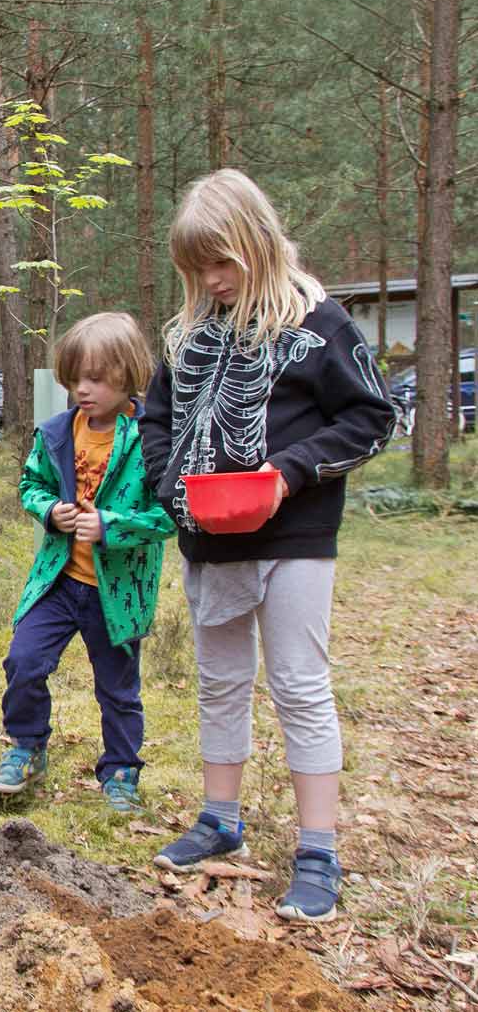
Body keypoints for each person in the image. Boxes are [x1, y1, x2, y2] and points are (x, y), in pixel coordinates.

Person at [140, 169, 398, 922]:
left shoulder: (319, 324)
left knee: (298, 683)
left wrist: (287, 473)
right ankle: (221, 818)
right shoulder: (188, 334)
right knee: (219, 680)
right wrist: (168, 483)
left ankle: (318, 846)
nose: (212, 281)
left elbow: (370, 416)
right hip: (207, 536)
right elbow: (158, 419)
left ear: (257, 243)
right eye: (198, 268)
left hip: (296, 536)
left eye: (223, 263)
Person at [0, 312, 175, 812]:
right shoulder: (56, 433)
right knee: (23, 661)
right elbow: (31, 485)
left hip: (118, 593)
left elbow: (168, 513)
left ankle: (121, 774)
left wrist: (111, 527)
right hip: (58, 580)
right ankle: (27, 748)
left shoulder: (150, 437)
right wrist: (50, 511)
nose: (82, 390)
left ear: (127, 373)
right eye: (74, 379)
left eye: (96, 378)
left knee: (118, 689)